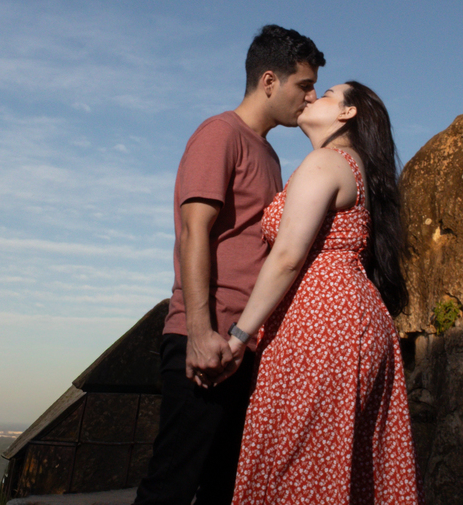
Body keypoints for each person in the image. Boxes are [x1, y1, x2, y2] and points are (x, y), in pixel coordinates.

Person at [132, 25, 325, 505]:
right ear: (268, 81)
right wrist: (200, 331)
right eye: (303, 85)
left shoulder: (269, 153)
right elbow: (193, 231)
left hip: (241, 343)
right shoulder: (219, 134)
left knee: (224, 488)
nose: (311, 96)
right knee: (171, 487)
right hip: (206, 339)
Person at [218, 81, 421, 504]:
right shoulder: (354, 165)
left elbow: (288, 256)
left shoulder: (326, 162)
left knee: (297, 464)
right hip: (349, 320)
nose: (311, 97)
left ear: (347, 114)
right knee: (335, 462)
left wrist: (239, 336)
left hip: (324, 321)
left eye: (326, 93)